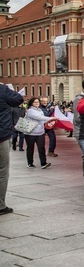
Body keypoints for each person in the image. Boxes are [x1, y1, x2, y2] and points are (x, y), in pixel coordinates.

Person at [1, 84, 25, 215]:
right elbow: (18, 99)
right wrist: (5, 88)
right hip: (1, 136)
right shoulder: (2, 90)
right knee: (2, 170)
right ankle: (0, 205)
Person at [24, 97, 56, 169]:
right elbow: (39, 118)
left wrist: (50, 121)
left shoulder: (40, 110)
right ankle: (30, 163)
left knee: (41, 148)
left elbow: (42, 120)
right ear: (32, 103)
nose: (37, 103)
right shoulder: (30, 111)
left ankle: (43, 163)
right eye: (35, 102)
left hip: (40, 132)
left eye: (38, 102)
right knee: (30, 148)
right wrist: (51, 118)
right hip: (30, 133)